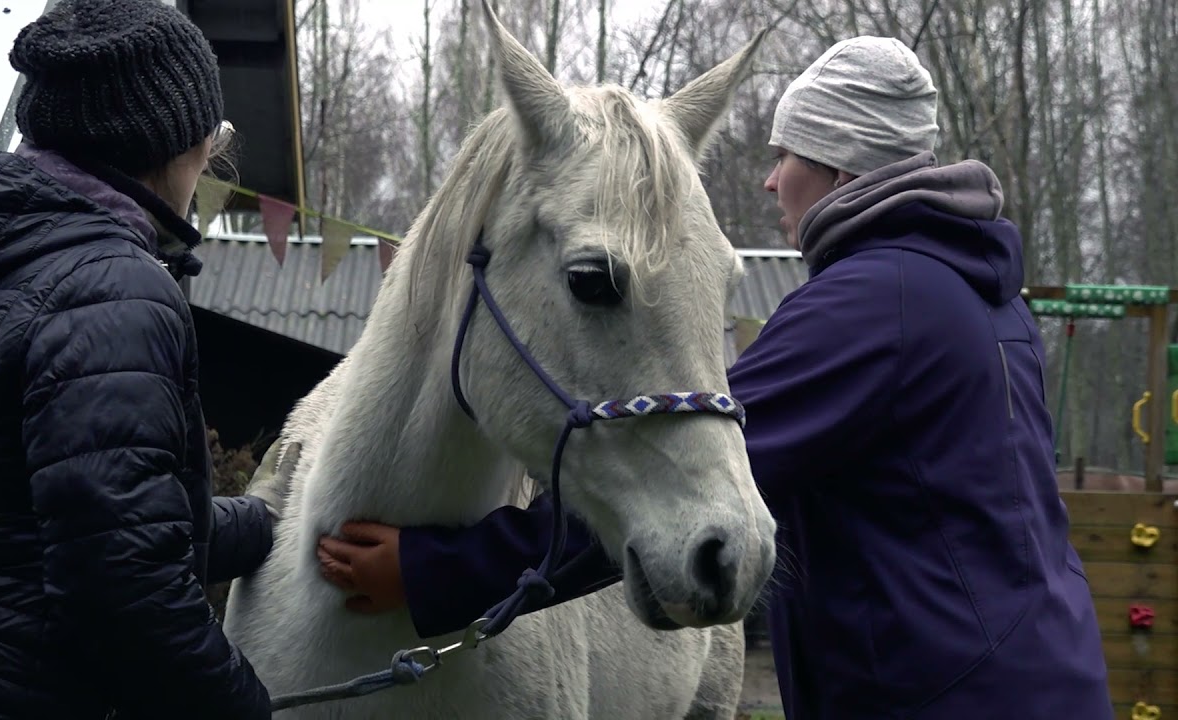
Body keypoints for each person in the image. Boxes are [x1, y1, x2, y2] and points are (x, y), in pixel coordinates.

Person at [313, 36, 1113, 720]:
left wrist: (432, 573)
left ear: (837, 166)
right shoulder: (980, 295)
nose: (771, 181)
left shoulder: (876, 305)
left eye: (786, 155)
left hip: (941, 694)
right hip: (1038, 671)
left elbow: (681, 478)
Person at [0, 0, 295, 717]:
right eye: (211, 143)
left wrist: (273, 521)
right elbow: (127, 585)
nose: (210, 160)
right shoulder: (112, 288)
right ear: (164, 144)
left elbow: (93, 519)